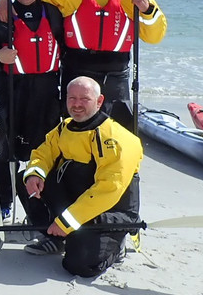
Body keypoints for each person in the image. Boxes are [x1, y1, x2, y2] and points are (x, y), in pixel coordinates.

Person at [0, 0, 166, 126]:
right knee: (75, 132)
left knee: (115, 135)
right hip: (76, 70)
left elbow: (155, 36)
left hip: (115, 75)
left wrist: (146, 10)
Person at [22, 76, 142, 278]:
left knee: (78, 266)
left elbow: (108, 190)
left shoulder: (116, 139)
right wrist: (34, 174)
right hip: (78, 197)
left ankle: (116, 246)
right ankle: (56, 238)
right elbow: (42, 154)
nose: (77, 105)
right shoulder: (64, 128)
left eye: (84, 99)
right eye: (72, 98)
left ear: (99, 101)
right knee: (25, 180)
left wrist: (66, 222)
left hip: (110, 210)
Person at [0, 0, 64, 227]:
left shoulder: (54, 12)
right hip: (11, 90)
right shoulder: (0, 16)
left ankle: (38, 207)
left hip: (47, 92)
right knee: (8, 150)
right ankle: (3, 202)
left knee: (45, 150)